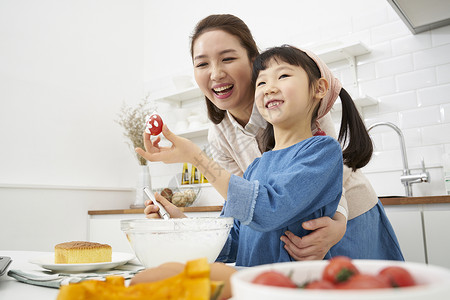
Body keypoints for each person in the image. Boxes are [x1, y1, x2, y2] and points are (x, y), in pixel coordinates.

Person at [136, 45, 404, 266]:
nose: (268, 87)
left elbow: (265, 210)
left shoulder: (322, 152)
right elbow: (231, 243)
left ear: (318, 88)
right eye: (261, 82)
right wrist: (179, 222)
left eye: (283, 77)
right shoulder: (255, 167)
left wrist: (197, 158)